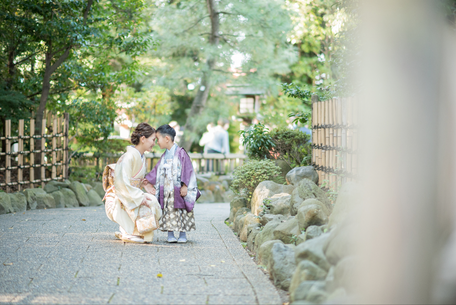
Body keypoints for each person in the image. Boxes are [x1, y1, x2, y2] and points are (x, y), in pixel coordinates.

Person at [102, 123, 162, 244]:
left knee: (153, 201)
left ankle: (136, 232)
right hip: (120, 198)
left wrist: (145, 184)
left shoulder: (140, 156)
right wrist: (140, 197)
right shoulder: (129, 156)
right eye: (153, 139)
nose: (154, 143)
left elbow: (135, 179)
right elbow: (121, 183)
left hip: (131, 194)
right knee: (149, 202)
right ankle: (127, 230)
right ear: (143, 139)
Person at [144, 124, 199, 243]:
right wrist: (147, 180)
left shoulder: (181, 153)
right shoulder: (164, 156)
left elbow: (188, 169)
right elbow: (156, 170)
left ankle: (183, 234)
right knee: (169, 210)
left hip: (178, 188)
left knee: (181, 210)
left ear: (167, 139)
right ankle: (170, 233)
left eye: (158, 139)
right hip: (167, 190)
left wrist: (185, 185)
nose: (157, 142)